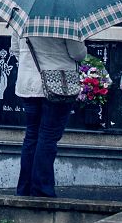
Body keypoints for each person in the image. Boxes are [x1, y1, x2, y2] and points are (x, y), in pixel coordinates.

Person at [10, 33, 86, 198]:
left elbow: (16, 49)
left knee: (32, 136)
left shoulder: (24, 16)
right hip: (57, 85)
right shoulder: (65, 19)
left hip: (27, 84)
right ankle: (42, 190)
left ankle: (25, 189)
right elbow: (78, 53)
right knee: (48, 136)